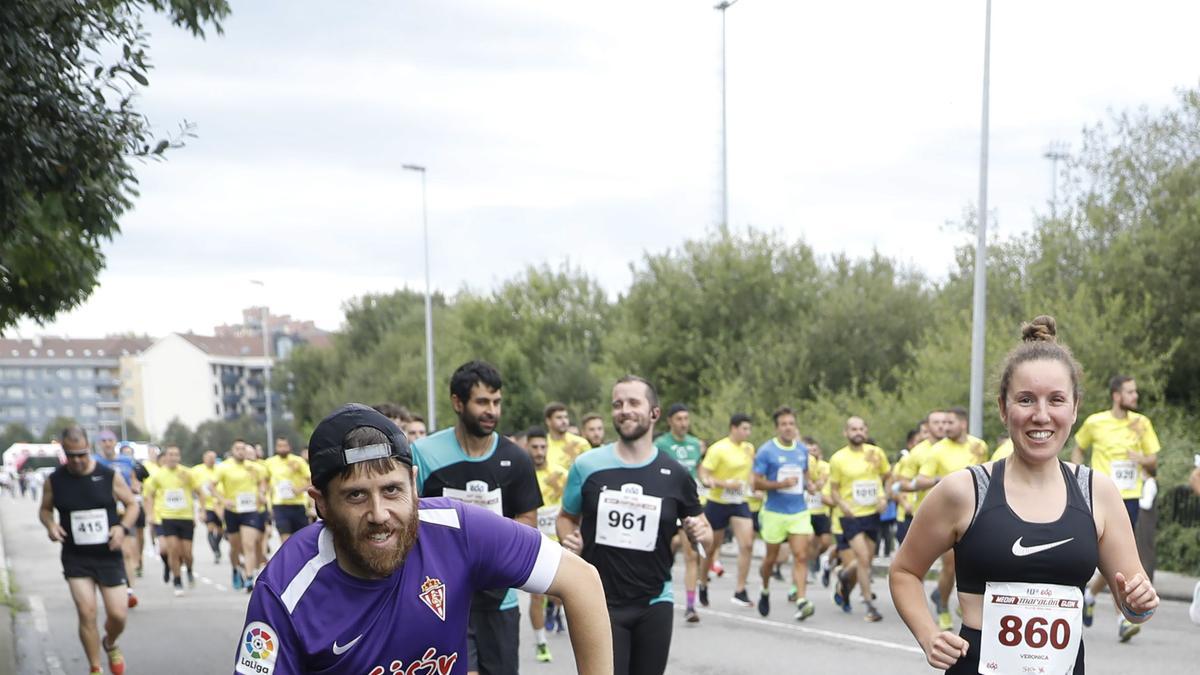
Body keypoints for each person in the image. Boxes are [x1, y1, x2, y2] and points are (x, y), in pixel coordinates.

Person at [232, 403, 612, 675]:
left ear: (415, 484)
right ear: (322, 504)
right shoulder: (285, 589)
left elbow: (581, 580)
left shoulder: (456, 527)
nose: (379, 514)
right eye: (356, 495)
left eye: (393, 490)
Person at [890, 315, 1159, 674]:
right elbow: (905, 570)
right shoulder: (964, 491)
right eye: (1026, 400)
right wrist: (927, 634)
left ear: (1075, 408)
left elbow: (1134, 604)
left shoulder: (1099, 493)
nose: (1042, 415)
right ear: (1004, 408)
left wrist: (1140, 604)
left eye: (1057, 400)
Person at [558, 376, 712, 675]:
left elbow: (703, 534)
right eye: (617, 404)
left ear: (654, 413)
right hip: (598, 598)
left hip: (654, 600)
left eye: (633, 403)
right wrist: (570, 540)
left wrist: (700, 534)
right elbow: (567, 517)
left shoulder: (676, 474)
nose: (624, 410)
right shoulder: (587, 466)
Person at [411, 360, 542, 675]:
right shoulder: (424, 453)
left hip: (500, 597)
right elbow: (407, 516)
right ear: (458, 402)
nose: (492, 411)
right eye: (482, 402)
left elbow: (528, 520)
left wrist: (487, 543)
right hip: (444, 595)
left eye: (497, 402)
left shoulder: (516, 458)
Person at [40, 426, 139, 675]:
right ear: (64, 452)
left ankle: (110, 642)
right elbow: (44, 509)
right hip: (76, 557)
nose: (77, 460)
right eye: (71, 455)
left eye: (82, 454)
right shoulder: (55, 480)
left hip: (108, 553)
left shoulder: (108, 476)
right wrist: (51, 525)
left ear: (89, 449)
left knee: (118, 615)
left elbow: (131, 505)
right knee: (87, 612)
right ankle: (95, 667)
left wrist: (122, 528)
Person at [1071, 375, 1162, 640]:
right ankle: (1120, 617)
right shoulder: (1095, 422)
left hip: (1129, 497)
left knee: (1118, 558)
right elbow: (1078, 448)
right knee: (1103, 554)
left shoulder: (1141, 423)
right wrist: (1079, 473)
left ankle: (1094, 597)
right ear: (1116, 395)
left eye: (1136, 391)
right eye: (1130, 392)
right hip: (1098, 497)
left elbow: (1153, 463)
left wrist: (1141, 458)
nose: (1135, 396)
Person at [915, 407, 988, 630]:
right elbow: (920, 480)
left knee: (981, 563)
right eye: (943, 423)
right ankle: (944, 605)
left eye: (950, 423)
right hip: (946, 516)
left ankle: (966, 602)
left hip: (975, 512)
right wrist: (945, 480)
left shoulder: (979, 446)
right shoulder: (936, 450)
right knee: (951, 565)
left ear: (963, 424)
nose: (945, 427)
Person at [751, 406, 815, 621]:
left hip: (798, 511)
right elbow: (755, 484)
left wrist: (811, 486)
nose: (788, 428)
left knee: (801, 556)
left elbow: (805, 478)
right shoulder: (767, 451)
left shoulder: (802, 451)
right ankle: (765, 589)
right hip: (774, 512)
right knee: (771, 559)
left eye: (791, 423)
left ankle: (801, 599)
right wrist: (780, 484)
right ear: (777, 428)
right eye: (783, 424)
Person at [828, 416, 890, 622]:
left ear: (866, 431)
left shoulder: (876, 453)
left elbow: (888, 477)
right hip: (850, 516)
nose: (858, 432)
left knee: (866, 561)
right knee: (863, 558)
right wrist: (842, 505)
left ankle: (844, 577)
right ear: (846, 433)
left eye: (861, 428)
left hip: (872, 514)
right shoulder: (838, 458)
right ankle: (869, 604)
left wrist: (885, 497)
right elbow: (834, 490)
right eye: (853, 429)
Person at [651, 403, 706, 622]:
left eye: (686, 418)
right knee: (661, 550)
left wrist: (705, 478)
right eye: (679, 419)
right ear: (670, 421)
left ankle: (691, 606)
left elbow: (697, 468)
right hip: (663, 505)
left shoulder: (694, 444)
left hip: (686, 505)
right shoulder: (661, 444)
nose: (683, 423)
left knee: (692, 554)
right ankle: (659, 593)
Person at [698, 413, 756, 608]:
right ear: (733, 428)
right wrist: (722, 483)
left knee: (747, 544)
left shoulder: (749, 448)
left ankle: (740, 590)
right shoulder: (718, 448)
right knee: (711, 546)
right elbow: (704, 473)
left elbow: (751, 473)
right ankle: (703, 583)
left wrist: (754, 489)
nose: (747, 432)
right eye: (744, 428)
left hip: (740, 500)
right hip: (718, 501)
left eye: (749, 429)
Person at [142, 445, 205, 596]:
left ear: (179, 457)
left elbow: (200, 492)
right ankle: (177, 580)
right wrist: (150, 514)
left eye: (176, 455)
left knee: (187, 553)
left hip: (186, 517)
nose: (173, 457)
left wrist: (201, 510)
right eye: (170, 454)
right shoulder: (158, 475)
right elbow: (148, 494)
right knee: (173, 550)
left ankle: (189, 569)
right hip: (168, 517)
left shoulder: (186, 473)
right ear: (165, 457)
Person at [523, 426, 563, 660]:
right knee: (536, 595)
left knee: (559, 593)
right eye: (535, 447)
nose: (539, 451)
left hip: (558, 540)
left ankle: (554, 607)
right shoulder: (523, 474)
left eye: (543, 447)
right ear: (527, 447)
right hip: (534, 543)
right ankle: (541, 644)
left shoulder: (560, 474)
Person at [211, 439, 268, 592]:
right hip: (233, 511)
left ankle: (249, 578)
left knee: (249, 544)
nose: (241, 451)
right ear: (232, 450)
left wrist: (262, 493)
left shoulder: (255, 468)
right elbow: (211, 486)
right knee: (235, 547)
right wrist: (223, 500)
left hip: (250, 510)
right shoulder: (224, 467)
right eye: (238, 449)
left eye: (243, 449)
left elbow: (263, 482)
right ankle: (236, 569)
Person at [93, 431, 142, 608]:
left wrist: (136, 487)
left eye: (110, 440)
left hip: (125, 511)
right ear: (99, 443)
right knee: (111, 552)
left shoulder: (126, 461)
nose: (107, 443)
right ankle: (111, 587)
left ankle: (129, 591)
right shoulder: (95, 462)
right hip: (103, 513)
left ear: (115, 442)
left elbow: (136, 481)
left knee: (127, 551)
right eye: (103, 440)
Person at [265, 438, 312, 544]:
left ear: (289, 447)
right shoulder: (269, 462)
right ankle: (290, 560)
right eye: (280, 446)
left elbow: (311, 480)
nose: (282, 448)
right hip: (280, 506)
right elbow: (265, 482)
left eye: (284, 446)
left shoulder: (298, 461)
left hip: (298, 504)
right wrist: (268, 502)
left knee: (301, 539)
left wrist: (300, 489)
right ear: (276, 448)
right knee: (285, 540)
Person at [545, 402, 591, 476]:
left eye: (566, 417)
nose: (564, 421)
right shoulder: (542, 445)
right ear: (548, 421)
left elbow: (590, 469)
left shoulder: (580, 443)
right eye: (559, 418)